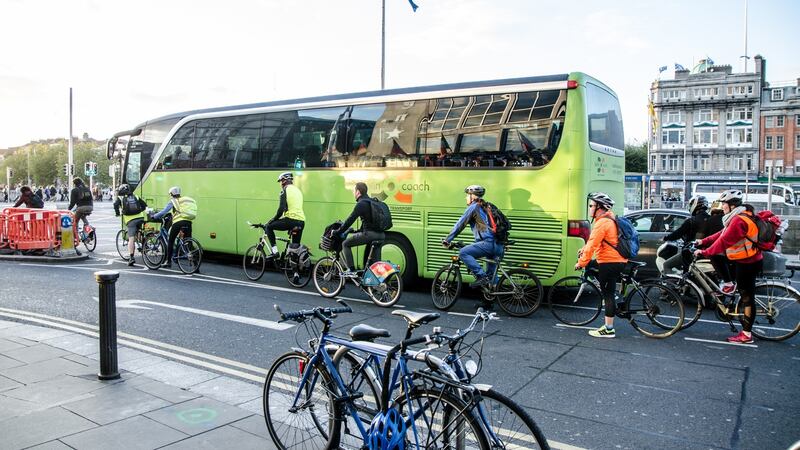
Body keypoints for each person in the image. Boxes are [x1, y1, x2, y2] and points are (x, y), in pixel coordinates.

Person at [694, 189, 763, 344]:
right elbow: (721, 234)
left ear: (731, 205)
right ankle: (729, 285)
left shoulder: (738, 220)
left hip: (748, 262)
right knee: (743, 293)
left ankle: (746, 335)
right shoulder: (736, 217)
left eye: (724, 203)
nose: (722, 206)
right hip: (745, 260)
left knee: (747, 298)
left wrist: (704, 252)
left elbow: (724, 241)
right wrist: (702, 242)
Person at [575, 192, 628, 338]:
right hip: (616, 260)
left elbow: (592, 245)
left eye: (592, 205)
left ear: (600, 207)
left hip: (609, 262)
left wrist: (581, 263)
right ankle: (615, 301)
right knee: (594, 267)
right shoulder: (609, 219)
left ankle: (608, 328)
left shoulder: (602, 223)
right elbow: (597, 244)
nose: (590, 208)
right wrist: (584, 250)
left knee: (608, 294)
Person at [442, 185, 504, 289]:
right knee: (491, 278)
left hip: (488, 244)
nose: (465, 198)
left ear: (472, 197)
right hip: (498, 245)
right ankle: (487, 304)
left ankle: (481, 276)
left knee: (463, 252)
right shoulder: (487, 206)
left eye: (467, 195)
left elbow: (460, 225)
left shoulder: (474, 207)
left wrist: (447, 240)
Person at [338, 182, 384, 277]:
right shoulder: (372, 201)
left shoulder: (361, 204)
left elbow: (350, 220)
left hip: (370, 235)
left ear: (358, 192)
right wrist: (356, 231)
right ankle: (375, 285)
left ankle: (351, 269)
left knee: (345, 244)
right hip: (381, 235)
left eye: (354, 191)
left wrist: (339, 231)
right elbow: (367, 222)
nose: (354, 193)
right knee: (375, 264)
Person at [660, 195, 711, 274]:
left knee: (667, 265)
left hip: (691, 253)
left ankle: (669, 286)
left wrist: (666, 238)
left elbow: (678, 233)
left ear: (695, 205)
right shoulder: (712, 219)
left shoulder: (691, 221)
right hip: (707, 253)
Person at [150, 186, 195, 269]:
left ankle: (168, 262)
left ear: (171, 194)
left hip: (178, 222)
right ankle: (196, 265)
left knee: (171, 241)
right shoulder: (184, 200)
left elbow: (164, 211)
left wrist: (154, 216)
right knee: (189, 243)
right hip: (188, 222)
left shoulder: (173, 201)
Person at [264, 172, 305, 257]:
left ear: (284, 181)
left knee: (268, 227)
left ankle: (274, 252)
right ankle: (294, 269)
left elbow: (280, 210)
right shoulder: (298, 190)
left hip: (291, 220)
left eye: (280, 181)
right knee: (295, 248)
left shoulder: (284, 190)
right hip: (301, 222)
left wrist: (272, 219)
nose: (280, 184)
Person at [113, 184, 148, 266]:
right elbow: (144, 205)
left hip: (130, 220)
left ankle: (131, 257)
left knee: (131, 238)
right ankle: (144, 245)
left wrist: (117, 213)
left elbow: (115, 205)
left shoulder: (120, 198)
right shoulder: (136, 196)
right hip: (140, 217)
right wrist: (139, 211)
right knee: (140, 231)